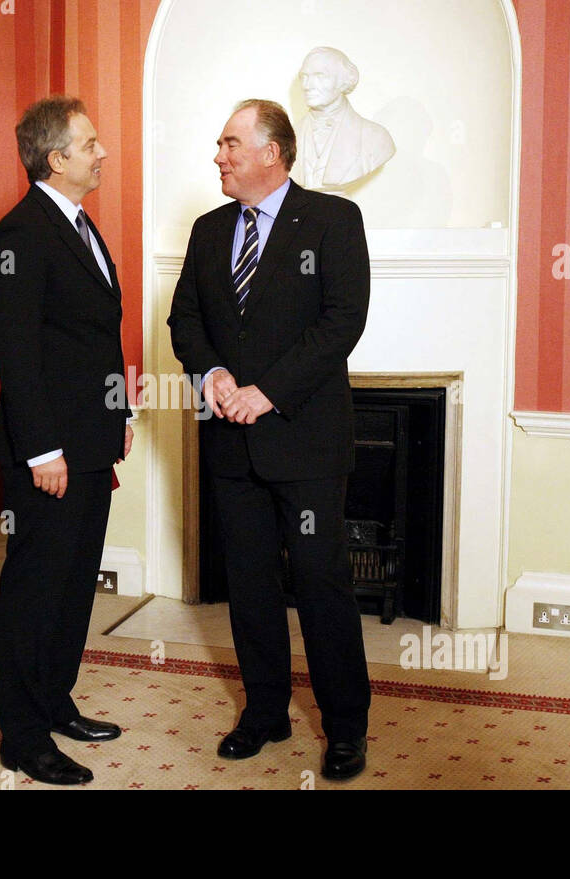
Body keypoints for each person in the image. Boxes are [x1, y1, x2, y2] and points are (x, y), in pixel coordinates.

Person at [167, 99, 372, 781]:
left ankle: (345, 727)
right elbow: (184, 321)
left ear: (271, 152)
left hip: (305, 441)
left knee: (320, 582)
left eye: (229, 143)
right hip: (230, 445)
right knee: (249, 585)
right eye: (219, 143)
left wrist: (268, 391)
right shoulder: (207, 230)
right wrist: (217, 373)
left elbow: (342, 322)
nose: (218, 155)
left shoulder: (334, 220)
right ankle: (264, 712)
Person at [0, 95, 134, 785]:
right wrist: (43, 450)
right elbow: (15, 352)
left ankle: (55, 701)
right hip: (49, 455)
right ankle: (22, 736)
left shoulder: (79, 225)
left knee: (75, 585)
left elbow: (89, 339)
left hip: (91, 442)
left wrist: (118, 414)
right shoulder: (19, 235)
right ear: (58, 158)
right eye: (91, 142)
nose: (103, 151)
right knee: (35, 589)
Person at [295, 47, 395, 191]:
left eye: (320, 76)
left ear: (345, 81)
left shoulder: (375, 137)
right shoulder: (288, 136)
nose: (307, 86)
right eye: (304, 77)